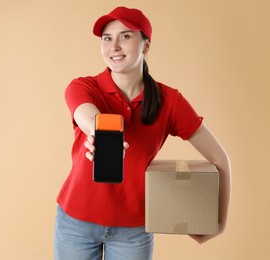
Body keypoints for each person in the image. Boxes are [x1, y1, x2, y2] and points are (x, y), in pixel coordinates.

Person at [54, 6, 231, 260]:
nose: (114, 46)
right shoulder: (83, 87)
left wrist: (219, 222)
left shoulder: (170, 101)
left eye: (125, 36)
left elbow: (220, 159)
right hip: (75, 223)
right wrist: (101, 135)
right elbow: (87, 116)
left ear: (146, 45)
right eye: (107, 38)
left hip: (134, 230)